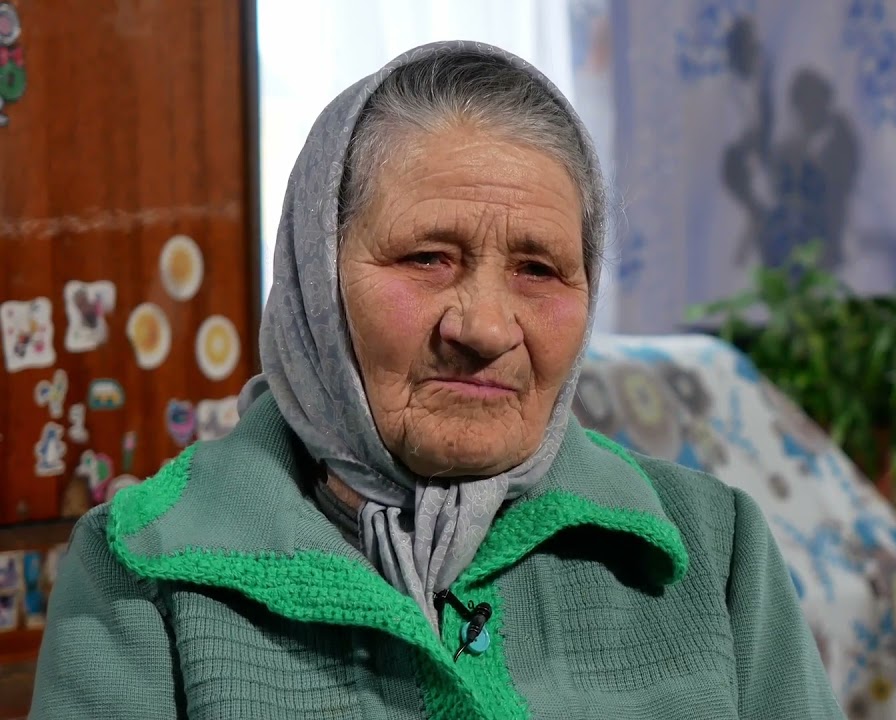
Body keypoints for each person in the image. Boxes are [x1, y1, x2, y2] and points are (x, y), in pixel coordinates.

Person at [29, 42, 840, 719]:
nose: (484, 328)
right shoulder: (145, 570)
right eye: (428, 258)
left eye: (539, 269)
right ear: (316, 278)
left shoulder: (714, 551)